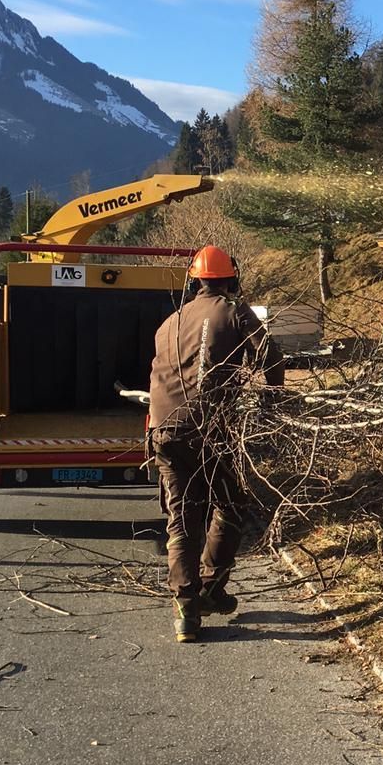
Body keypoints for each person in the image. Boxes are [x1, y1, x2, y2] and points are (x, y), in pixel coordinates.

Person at [148, 244, 283, 642]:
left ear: (195, 279)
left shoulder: (169, 321)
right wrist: (272, 404)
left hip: (163, 431)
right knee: (230, 502)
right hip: (208, 429)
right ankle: (211, 586)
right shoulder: (232, 310)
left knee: (182, 517)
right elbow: (271, 359)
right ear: (231, 279)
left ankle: (186, 611)